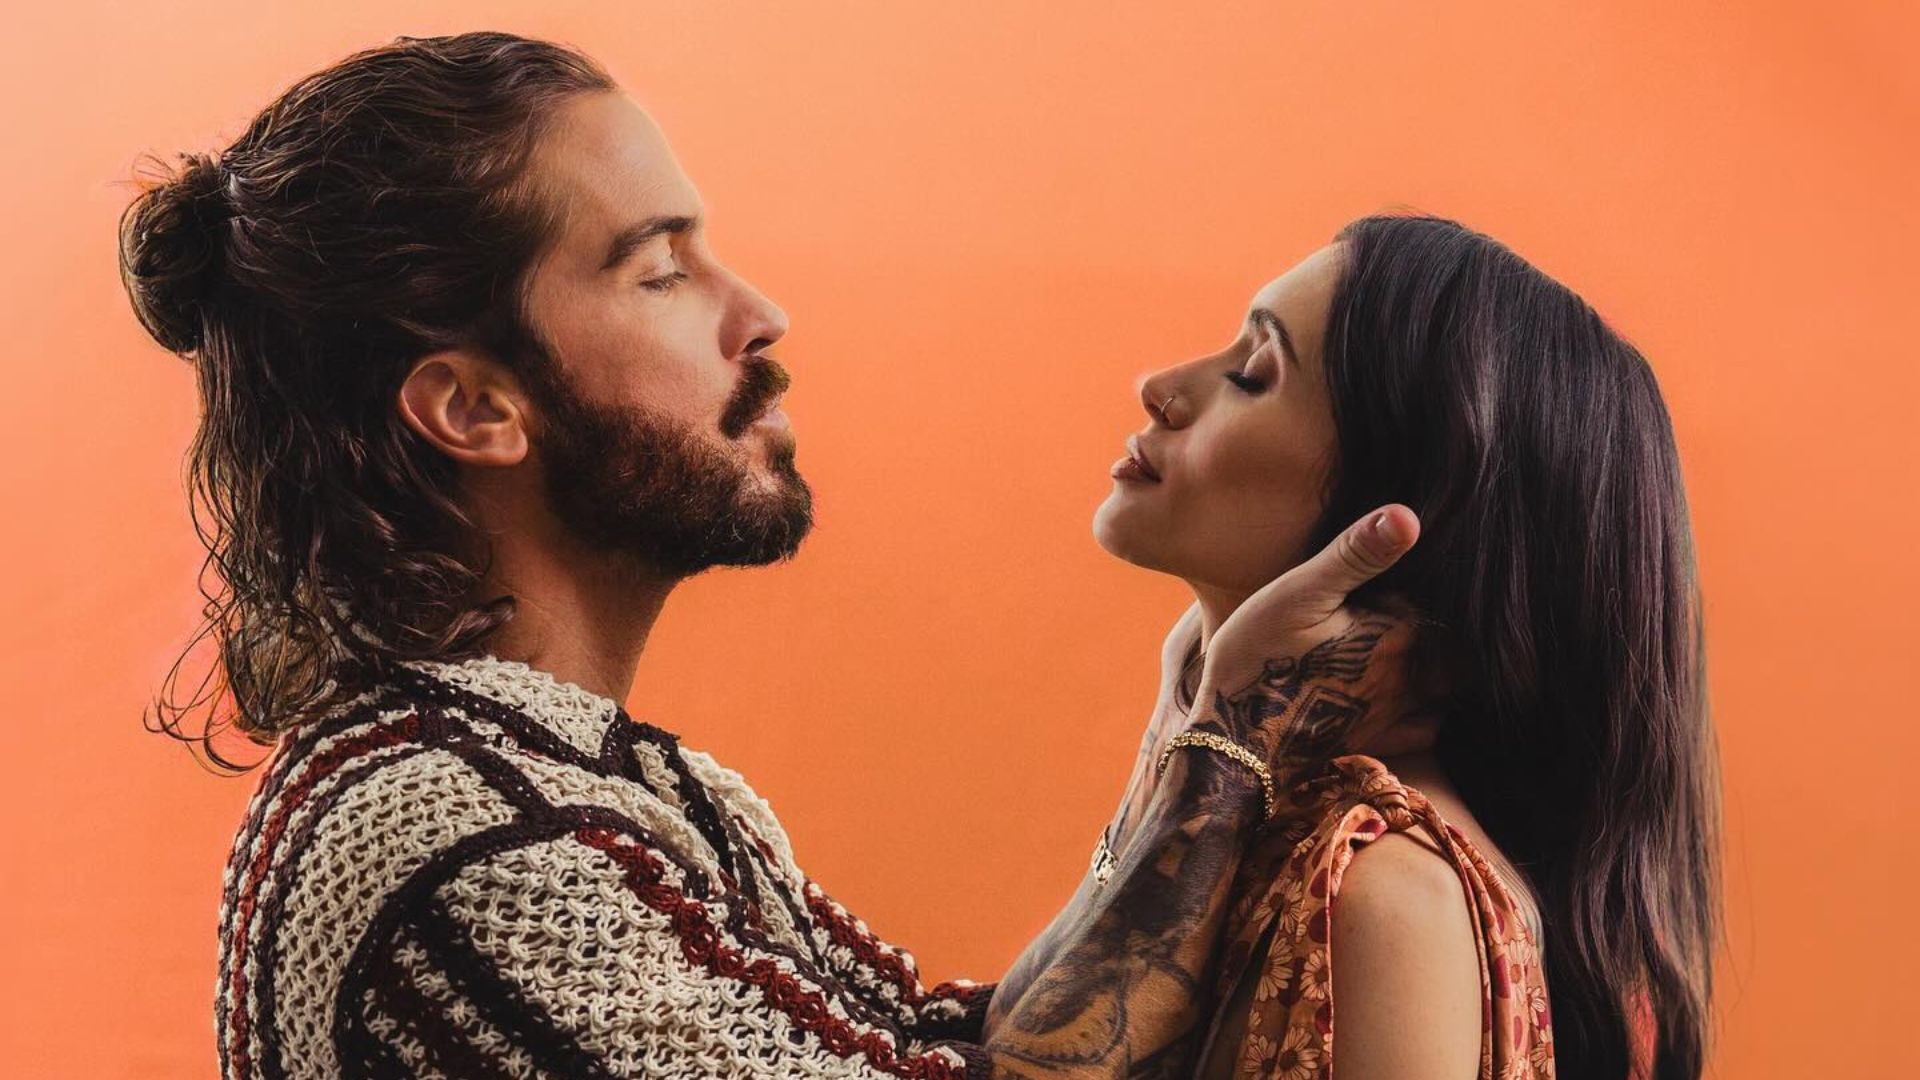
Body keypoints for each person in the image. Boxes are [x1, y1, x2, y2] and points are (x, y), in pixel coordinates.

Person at [119, 32, 1428, 1078]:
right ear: (475, 408)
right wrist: (1226, 745)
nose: (757, 315)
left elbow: (957, 1043)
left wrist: (1181, 732)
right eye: (660, 271)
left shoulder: (623, 792)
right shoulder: (449, 851)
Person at [991, 218, 1719, 1079]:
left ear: (1403, 515)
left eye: (1254, 376)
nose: (1160, 387)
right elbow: (1001, 1042)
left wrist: (1218, 730)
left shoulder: (1389, 900)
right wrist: (1196, 717)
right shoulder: (1266, 810)